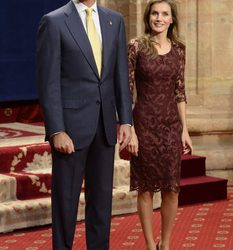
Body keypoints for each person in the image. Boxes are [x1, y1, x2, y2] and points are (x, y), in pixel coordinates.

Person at [36, 0, 132, 249]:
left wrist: (126, 120)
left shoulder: (115, 20)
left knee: (101, 204)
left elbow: (120, 74)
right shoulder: (54, 21)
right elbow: (48, 83)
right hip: (70, 130)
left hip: (104, 128)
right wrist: (57, 130)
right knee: (65, 203)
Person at [127, 1, 193, 250]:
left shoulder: (179, 50)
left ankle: (165, 244)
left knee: (171, 188)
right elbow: (127, 90)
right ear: (148, 17)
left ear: (172, 20)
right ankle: (148, 244)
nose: (159, 17)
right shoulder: (136, 46)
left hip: (170, 127)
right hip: (143, 125)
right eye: (155, 13)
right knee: (145, 189)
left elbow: (180, 92)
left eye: (164, 14)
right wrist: (130, 128)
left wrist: (184, 130)